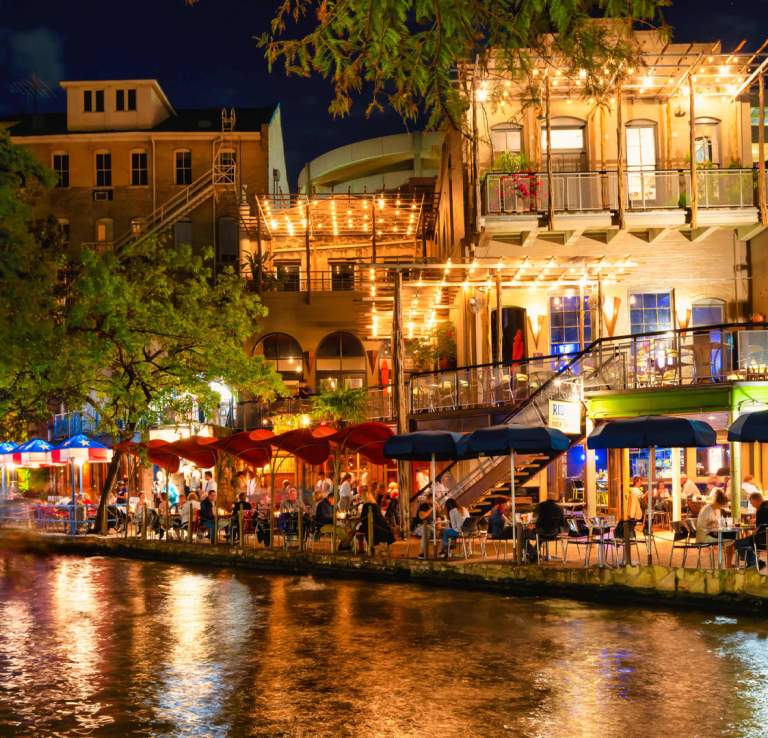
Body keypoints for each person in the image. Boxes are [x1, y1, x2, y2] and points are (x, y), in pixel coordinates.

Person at [733, 492, 768, 568]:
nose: (752, 505)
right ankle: (755, 562)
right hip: (765, 538)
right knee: (746, 541)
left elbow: (759, 528)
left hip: (762, 540)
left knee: (737, 543)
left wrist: (752, 534)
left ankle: (754, 563)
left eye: (752, 503)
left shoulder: (761, 510)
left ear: (756, 500)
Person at [414, 492, 435, 559]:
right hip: (419, 526)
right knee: (427, 531)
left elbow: (439, 518)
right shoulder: (423, 506)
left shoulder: (433, 507)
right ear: (428, 499)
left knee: (445, 530)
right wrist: (432, 509)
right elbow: (422, 517)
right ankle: (422, 553)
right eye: (433, 499)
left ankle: (444, 551)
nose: (434, 500)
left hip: (432, 526)